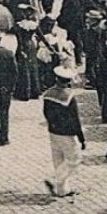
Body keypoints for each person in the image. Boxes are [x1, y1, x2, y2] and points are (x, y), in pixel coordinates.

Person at [42, 66, 85, 198]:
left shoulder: (48, 94)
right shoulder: (69, 97)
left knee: (58, 159)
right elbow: (75, 119)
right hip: (66, 132)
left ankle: (62, 190)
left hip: (53, 130)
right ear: (69, 81)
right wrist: (81, 137)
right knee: (74, 159)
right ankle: (55, 179)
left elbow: (45, 112)